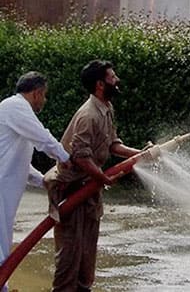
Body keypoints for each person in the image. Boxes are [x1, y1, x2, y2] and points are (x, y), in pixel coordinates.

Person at [45, 60, 143, 292]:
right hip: (71, 191)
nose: (117, 80)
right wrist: (102, 177)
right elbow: (79, 156)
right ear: (100, 84)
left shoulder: (106, 108)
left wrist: (141, 154)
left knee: (87, 257)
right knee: (70, 256)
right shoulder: (88, 115)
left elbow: (112, 144)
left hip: (89, 189)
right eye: (112, 77)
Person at [0, 72, 70, 291]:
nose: (45, 100)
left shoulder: (12, 111)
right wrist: (68, 159)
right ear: (37, 92)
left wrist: (43, 181)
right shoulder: (15, 107)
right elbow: (44, 139)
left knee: (2, 248)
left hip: (5, 190)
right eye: (44, 95)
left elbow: (17, 163)